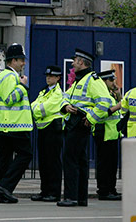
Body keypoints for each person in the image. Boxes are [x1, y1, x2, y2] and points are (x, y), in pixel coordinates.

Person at [57, 48, 112, 207]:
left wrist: (90, 118)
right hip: (74, 123)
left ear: (81, 62)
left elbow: (105, 102)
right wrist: (66, 105)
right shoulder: (79, 80)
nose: (73, 63)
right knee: (80, 161)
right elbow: (65, 97)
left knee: (70, 160)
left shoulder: (91, 79)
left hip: (79, 124)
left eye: (75, 60)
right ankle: (80, 198)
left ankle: (70, 197)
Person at [0, 43, 33, 204]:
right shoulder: (10, 77)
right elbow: (9, 99)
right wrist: (22, 86)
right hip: (15, 124)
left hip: (3, 124)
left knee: (5, 158)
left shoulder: (0, 76)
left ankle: (3, 192)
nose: (23, 63)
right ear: (12, 61)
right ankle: (6, 186)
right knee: (26, 154)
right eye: (21, 60)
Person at [29, 65, 65, 203]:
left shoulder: (57, 93)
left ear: (58, 78)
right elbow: (34, 105)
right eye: (47, 76)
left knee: (53, 162)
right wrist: (37, 109)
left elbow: (45, 108)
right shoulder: (44, 92)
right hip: (43, 129)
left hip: (53, 130)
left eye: (51, 76)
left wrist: (37, 109)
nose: (48, 78)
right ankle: (44, 191)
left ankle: (54, 192)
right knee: (43, 162)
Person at [93, 69, 122, 201]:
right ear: (103, 81)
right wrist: (117, 106)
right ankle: (104, 191)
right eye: (111, 80)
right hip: (103, 132)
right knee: (104, 164)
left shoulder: (111, 94)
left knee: (111, 164)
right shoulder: (101, 95)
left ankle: (112, 189)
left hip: (112, 134)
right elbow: (103, 112)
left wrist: (118, 94)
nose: (113, 82)